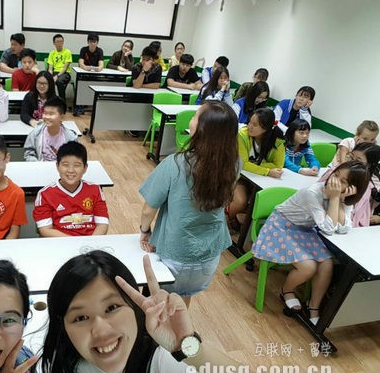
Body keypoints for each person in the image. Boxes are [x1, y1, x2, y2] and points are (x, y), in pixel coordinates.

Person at [41, 251, 308, 373]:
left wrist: (191, 349)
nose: (100, 329)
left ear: (135, 308)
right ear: (63, 326)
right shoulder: (65, 364)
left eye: (112, 308)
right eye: (80, 318)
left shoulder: (167, 368)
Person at [139, 101, 238, 303]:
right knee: (183, 300)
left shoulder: (176, 163)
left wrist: (145, 231)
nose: (191, 120)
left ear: (203, 129)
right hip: (209, 256)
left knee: (157, 305)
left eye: (195, 117)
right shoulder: (234, 164)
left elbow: (149, 208)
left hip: (175, 252)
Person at [252, 161, 368, 324]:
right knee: (308, 267)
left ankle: (313, 306)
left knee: (327, 264)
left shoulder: (342, 198)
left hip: (304, 230)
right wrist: (335, 198)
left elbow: (343, 228)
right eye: (336, 174)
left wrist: (340, 201)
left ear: (352, 189)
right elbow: (327, 229)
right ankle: (286, 290)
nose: (334, 181)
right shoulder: (313, 192)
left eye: (342, 181)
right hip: (281, 225)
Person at [33, 141, 109, 237]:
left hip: (91, 242)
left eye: (77, 165)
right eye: (65, 165)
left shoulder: (95, 190)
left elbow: (102, 224)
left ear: (85, 168)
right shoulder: (45, 194)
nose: (71, 170)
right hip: (60, 242)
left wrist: (91, 242)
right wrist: (74, 243)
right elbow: (45, 230)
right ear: (57, 166)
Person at [226, 108, 285, 229]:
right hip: (239, 177)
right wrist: (267, 170)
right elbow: (243, 164)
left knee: (265, 204)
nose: (250, 127)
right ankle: (228, 222)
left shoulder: (278, 141)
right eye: (250, 122)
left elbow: (278, 165)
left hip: (262, 180)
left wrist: (255, 164)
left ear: (266, 128)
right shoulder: (242, 135)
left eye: (255, 125)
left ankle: (242, 223)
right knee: (241, 201)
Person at [23, 97, 77, 161]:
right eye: (45, 113)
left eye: (51, 114)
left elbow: (74, 157)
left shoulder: (70, 138)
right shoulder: (36, 133)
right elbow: (29, 153)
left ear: (62, 117)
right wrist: (37, 164)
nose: (47, 117)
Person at [75, 33, 104, 116]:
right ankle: (79, 106)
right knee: (81, 85)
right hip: (84, 74)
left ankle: (95, 106)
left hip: (95, 75)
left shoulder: (100, 51)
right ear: (88, 42)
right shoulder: (83, 49)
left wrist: (99, 68)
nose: (93, 43)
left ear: (97, 42)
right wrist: (85, 67)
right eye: (91, 41)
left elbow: (101, 64)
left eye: (94, 42)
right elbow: (81, 63)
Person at [47, 34, 73, 101]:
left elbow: (65, 68)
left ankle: (62, 101)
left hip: (65, 73)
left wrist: (57, 76)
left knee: (59, 81)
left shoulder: (67, 52)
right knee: (46, 80)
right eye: (57, 42)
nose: (59, 43)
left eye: (61, 41)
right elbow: (50, 68)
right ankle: (51, 100)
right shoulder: (52, 53)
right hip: (55, 72)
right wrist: (51, 76)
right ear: (54, 43)